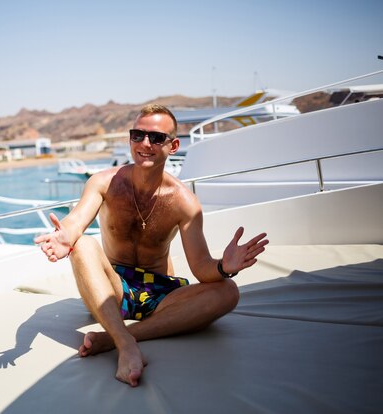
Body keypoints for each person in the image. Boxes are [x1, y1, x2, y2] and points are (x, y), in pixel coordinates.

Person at [34, 104, 269, 387]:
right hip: (113, 287)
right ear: (130, 139)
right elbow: (76, 222)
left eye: (156, 138)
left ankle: (110, 338)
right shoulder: (104, 183)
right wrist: (64, 238)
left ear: (173, 145)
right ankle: (124, 344)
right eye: (138, 135)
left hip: (160, 293)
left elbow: (201, 268)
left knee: (228, 292)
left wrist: (223, 267)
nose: (145, 144)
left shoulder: (184, 202)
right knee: (82, 245)